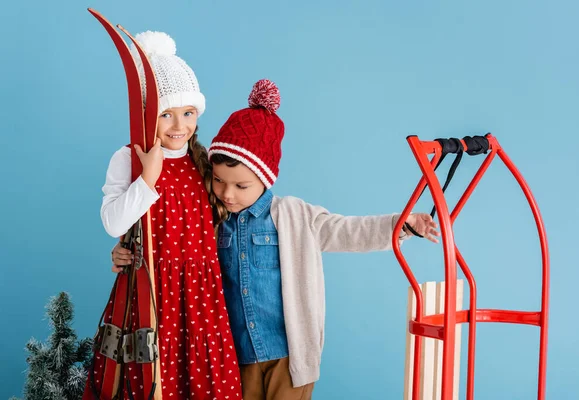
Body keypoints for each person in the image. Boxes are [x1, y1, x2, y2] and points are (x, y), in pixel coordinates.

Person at [113, 79, 439, 400]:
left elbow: (348, 231)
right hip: (234, 357)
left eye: (241, 187)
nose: (228, 193)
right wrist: (126, 250)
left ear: (265, 180)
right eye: (219, 181)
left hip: (288, 356)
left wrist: (403, 225)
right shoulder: (212, 219)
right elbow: (172, 244)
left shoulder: (296, 217)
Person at [99, 31, 242, 399]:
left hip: (201, 295)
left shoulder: (204, 161)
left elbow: (238, 203)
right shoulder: (129, 159)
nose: (180, 126)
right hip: (151, 294)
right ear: (147, 112)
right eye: (166, 114)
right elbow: (114, 222)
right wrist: (148, 177)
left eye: (188, 113)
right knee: (152, 381)